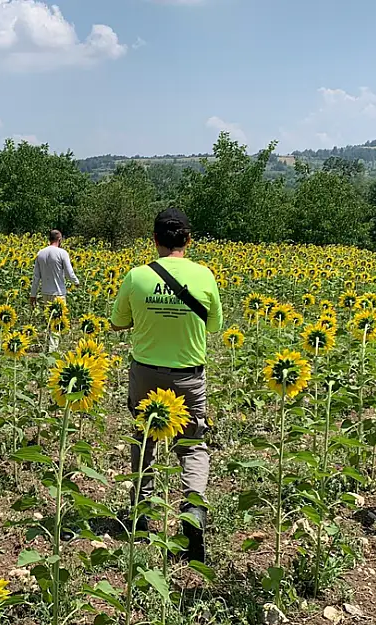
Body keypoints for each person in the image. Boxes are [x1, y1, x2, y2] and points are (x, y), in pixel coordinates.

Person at [109, 207, 223, 563]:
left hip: (146, 371)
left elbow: (117, 323)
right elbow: (214, 326)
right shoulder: (204, 276)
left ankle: (141, 517)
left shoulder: (136, 277)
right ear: (188, 240)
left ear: (155, 239)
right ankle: (193, 511)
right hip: (189, 374)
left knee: (143, 440)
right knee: (192, 445)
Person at [29, 229, 79, 352]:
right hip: (58, 293)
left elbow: (36, 276)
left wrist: (33, 295)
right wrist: (76, 282)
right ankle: (52, 350)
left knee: (49, 320)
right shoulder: (62, 253)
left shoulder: (41, 253)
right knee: (57, 321)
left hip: (45, 292)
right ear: (59, 239)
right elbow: (69, 272)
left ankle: (49, 346)